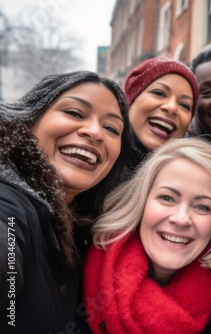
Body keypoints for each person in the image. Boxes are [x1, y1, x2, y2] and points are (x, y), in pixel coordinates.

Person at [0, 71, 130, 333]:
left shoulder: (85, 235)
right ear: (30, 119)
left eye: (111, 128)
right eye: (74, 112)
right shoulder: (11, 203)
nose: (95, 133)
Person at [83, 137, 211, 333]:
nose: (181, 219)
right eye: (167, 198)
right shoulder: (78, 266)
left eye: (202, 206)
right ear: (140, 201)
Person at [123, 57, 199, 180]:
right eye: (159, 93)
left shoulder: (191, 177)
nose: (172, 107)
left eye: (184, 105)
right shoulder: (98, 165)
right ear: (131, 100)